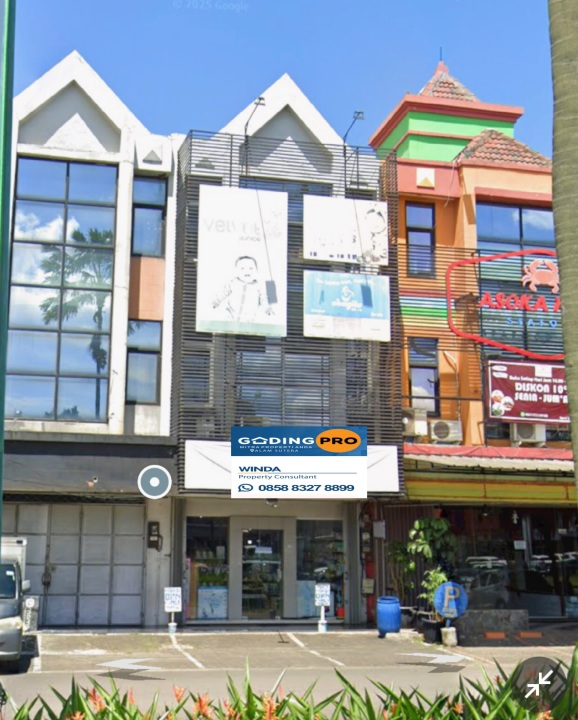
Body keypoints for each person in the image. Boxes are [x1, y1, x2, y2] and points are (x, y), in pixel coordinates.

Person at [212, 255, 273, 323]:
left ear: (256, 270)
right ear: (236, 271)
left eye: (251, 268)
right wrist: (216, 301)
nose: (247, 271)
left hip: (248, 318)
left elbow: (264, 299)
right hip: (231, 314)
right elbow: (224, 292)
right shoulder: (233, 282)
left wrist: (267, 308)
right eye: (242, 268)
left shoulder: (258, 286)